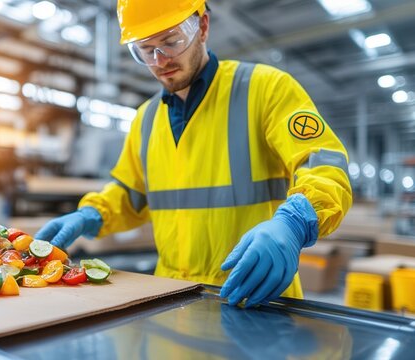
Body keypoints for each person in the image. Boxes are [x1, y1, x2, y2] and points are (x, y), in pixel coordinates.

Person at [35, 0, 352, 307]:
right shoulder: (146, 119)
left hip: (255, 295)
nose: (160, 60)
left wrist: (293, 222)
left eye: (171, 41)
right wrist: (92, 214)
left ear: (202, 26)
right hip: (171, 298)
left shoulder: (266, 89)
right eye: (146, 50)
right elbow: (130, 194)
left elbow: (324, 167)